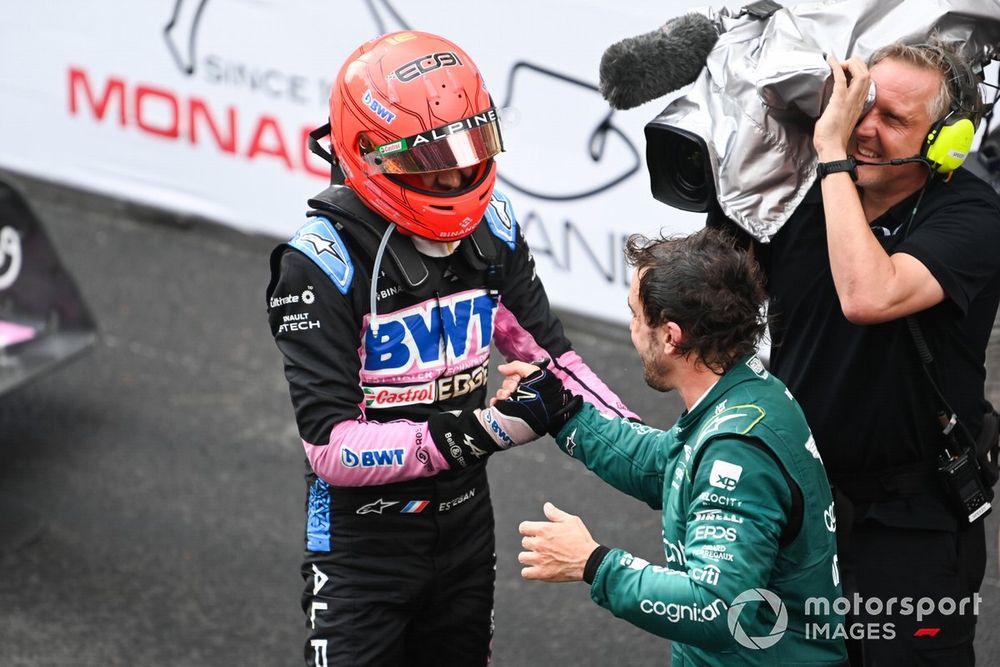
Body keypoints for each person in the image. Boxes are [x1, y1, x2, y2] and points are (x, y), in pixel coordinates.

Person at [265, 31, 637, 667]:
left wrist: (655, 453)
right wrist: (486, 429)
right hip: (360, 544)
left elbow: (555, 361)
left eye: (470, 145)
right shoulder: (320, 261)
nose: (457, 172)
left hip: (466, 527)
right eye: (431, 156)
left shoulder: (493, 225)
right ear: (368, 152)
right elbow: (329, 447)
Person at [709, 41, 1000, 665]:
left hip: (910, 525)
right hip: (795, 506)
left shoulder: (973, 216)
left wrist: (832, 158)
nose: (865, 128)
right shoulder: (793, 193)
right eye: (860, 105)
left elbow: (868, 295)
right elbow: (701, 299)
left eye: (894, 119)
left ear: (948, 143)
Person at [499, 228, 847, 666]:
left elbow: (718, 608)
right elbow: (666, 466)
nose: (631, 329)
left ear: (671, 337)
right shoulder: (749, 393)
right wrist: (563, 413)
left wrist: (592, 563)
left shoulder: (736, 450)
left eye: (635, 316)